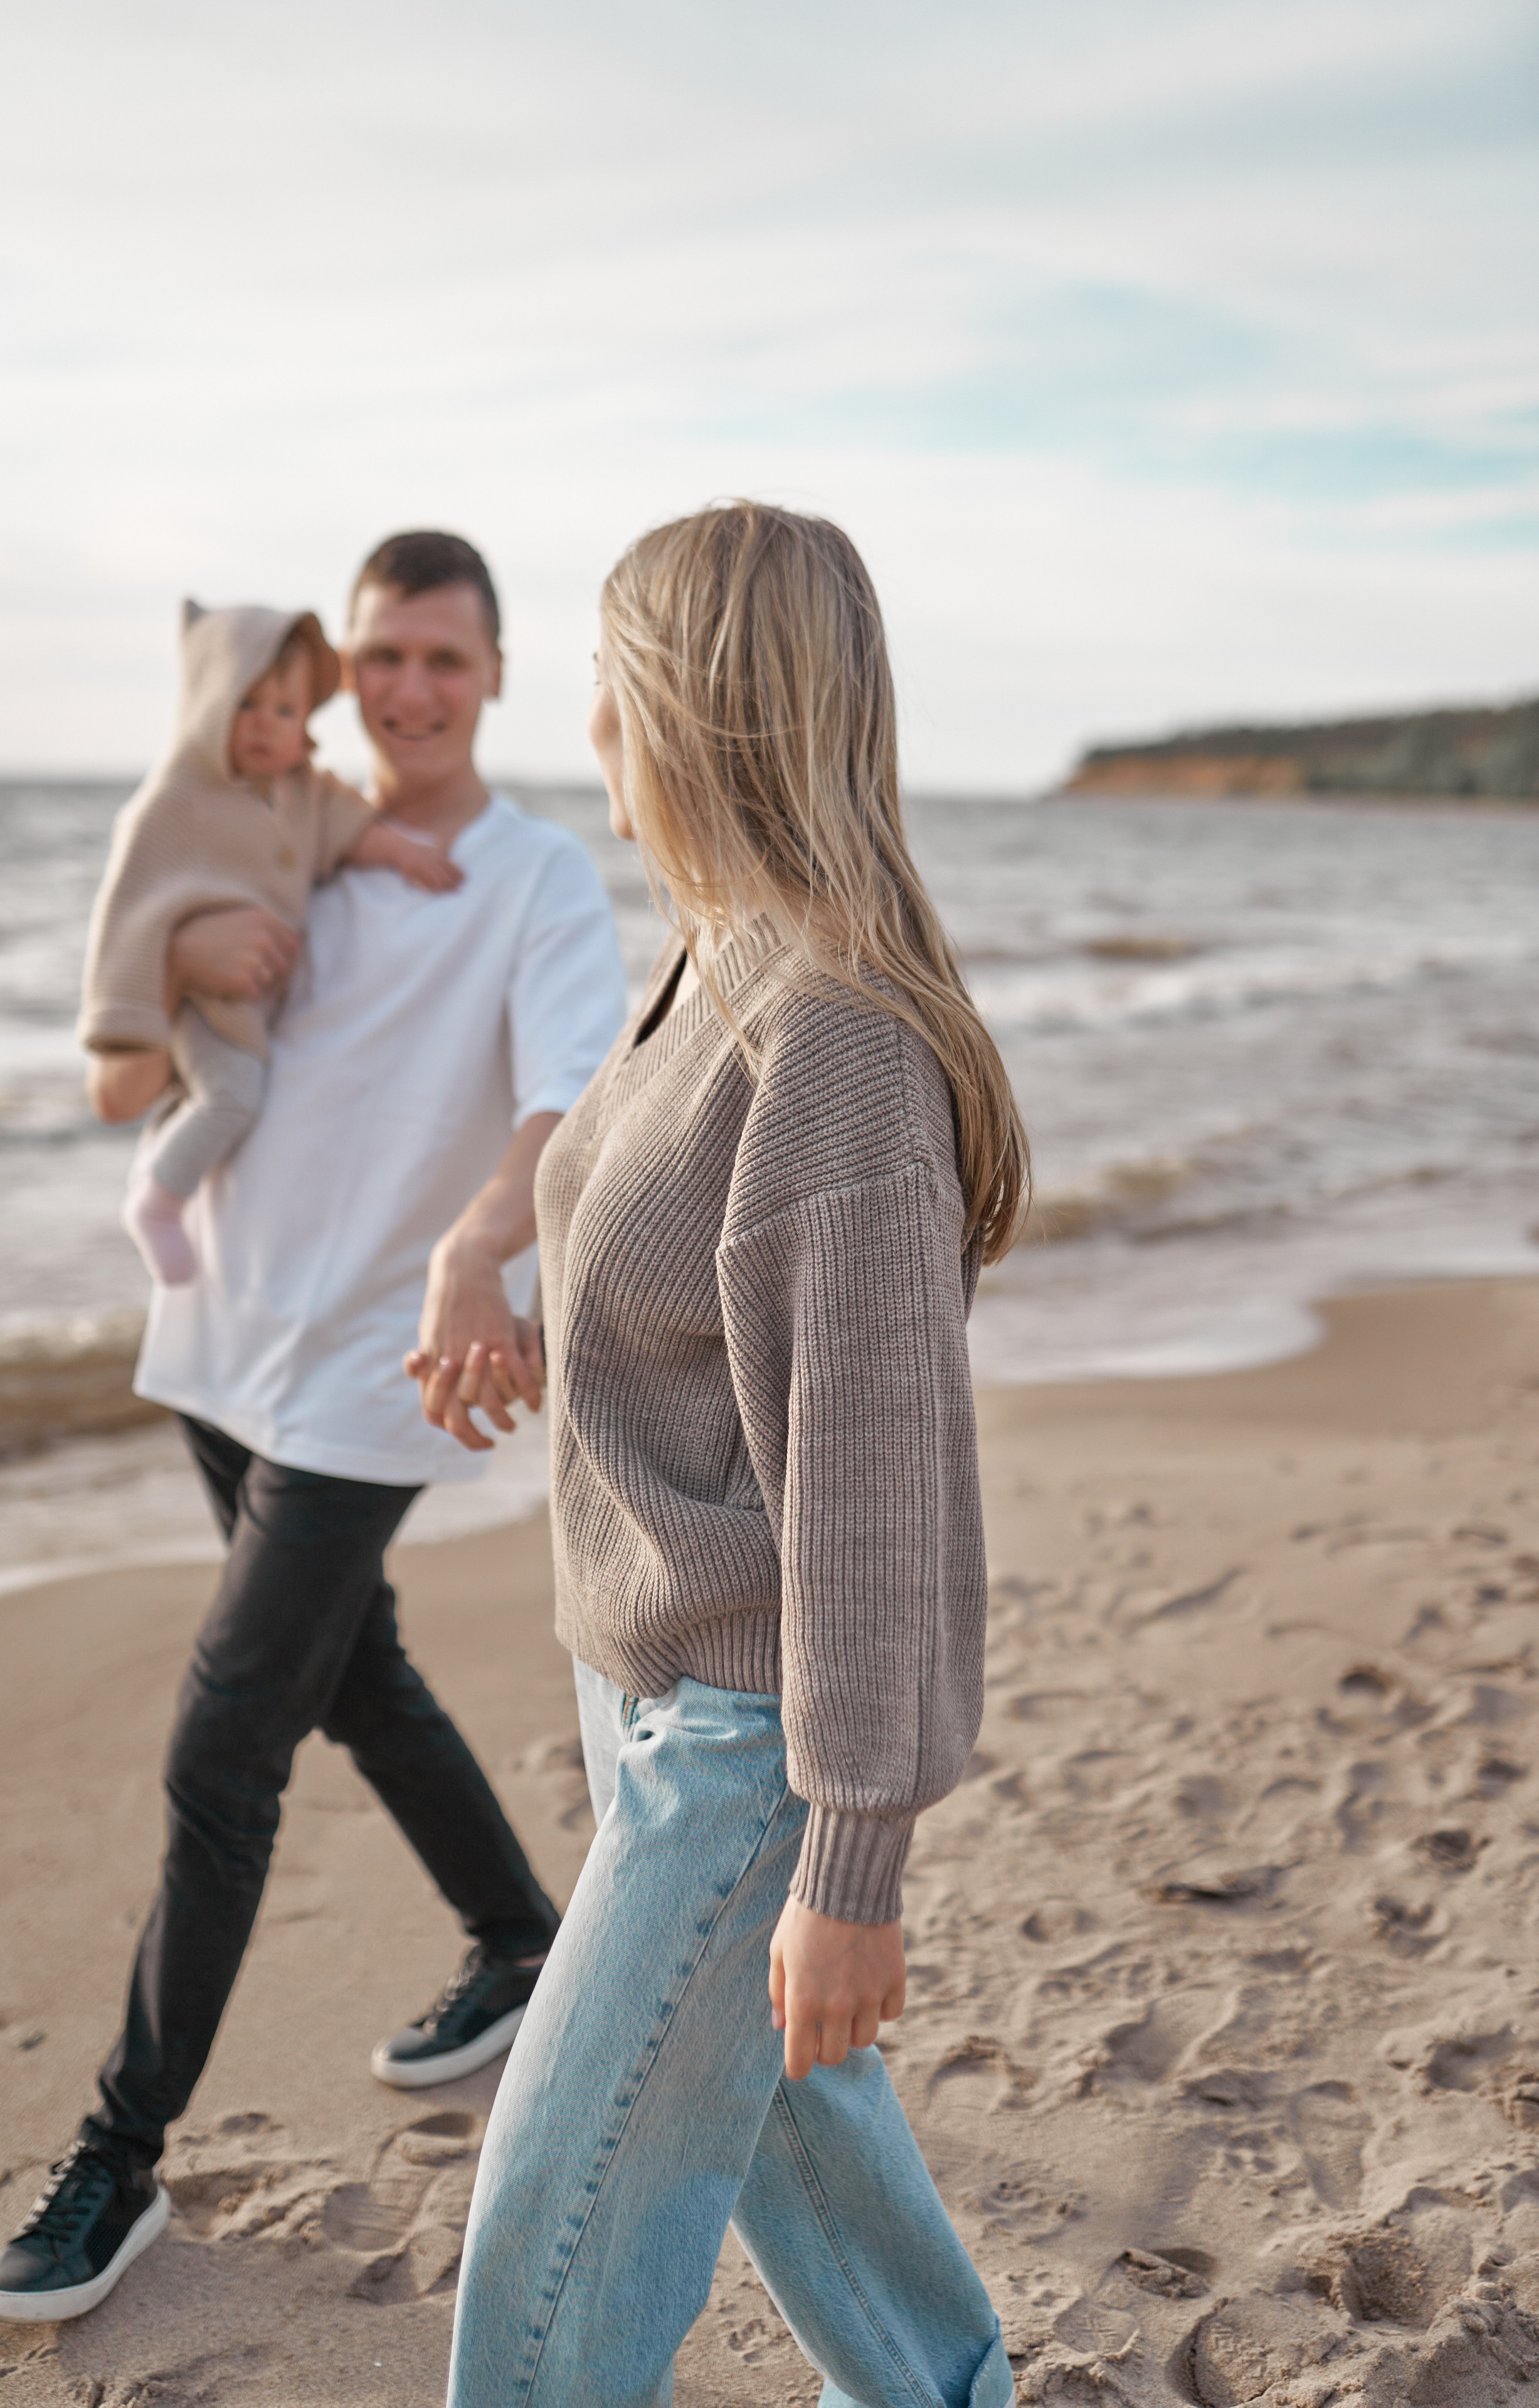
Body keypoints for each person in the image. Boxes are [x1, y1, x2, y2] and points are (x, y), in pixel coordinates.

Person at [0, 530, 627, 2328]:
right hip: (220, 1338)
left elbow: (573, 1099)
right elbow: (119, 1077)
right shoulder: (279, 837)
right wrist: (178, 942)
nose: (410, 690)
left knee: (223, 1745)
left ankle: (122, 2151)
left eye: (444, 658)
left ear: (493, 675)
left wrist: (480, 1253)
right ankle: (521, 1940)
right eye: (383, 657)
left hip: (370, 1368)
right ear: (346, 670)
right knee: (359, 1675)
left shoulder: (534, 876)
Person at [416, 502, 1029, 2408]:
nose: (587, 722)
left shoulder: (831, 1043)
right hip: (646, 1698)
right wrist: (506, 1284)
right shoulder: (708, 962)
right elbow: (675, 1270)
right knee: (788, 2140)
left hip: (748, 1746)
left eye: (611, 679)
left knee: (550, 2236)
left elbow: (872, 1503)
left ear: (694, 706)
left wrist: (849, 1861)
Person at [81, 599, 464, 1286]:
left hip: (255, 1010)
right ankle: (158, 1201)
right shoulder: (176, 801)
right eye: (246, 704)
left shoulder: (303, 791)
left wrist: (407, 854)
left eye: (285, 711)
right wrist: (166, 963)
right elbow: (129, 913)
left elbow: (354, 828)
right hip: (208, 1004)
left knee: (222, 1093)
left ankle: (166, 1181)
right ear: (207, 704)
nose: (265, 724)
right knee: (232, 1094)